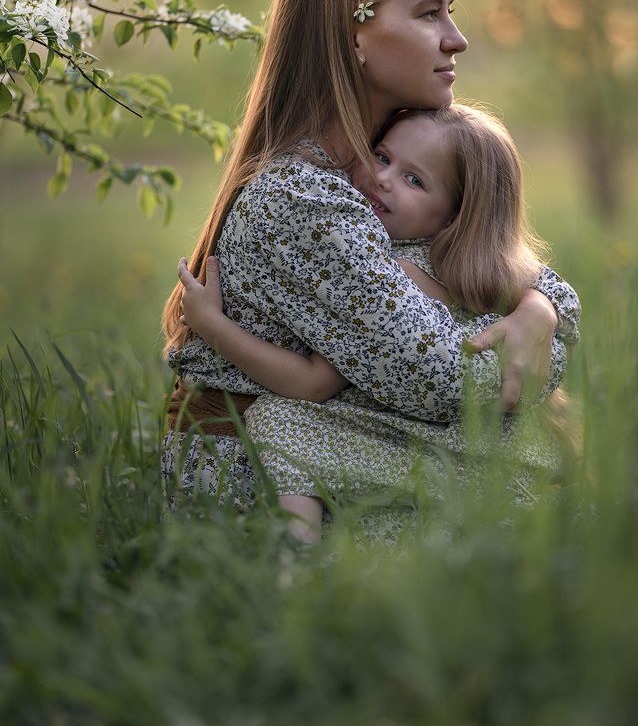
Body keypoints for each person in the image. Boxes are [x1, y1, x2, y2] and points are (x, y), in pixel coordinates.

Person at [161, 0, 580, 538]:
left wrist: (539, 311)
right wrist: (539, 354)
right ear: (354, 32)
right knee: (536, 513)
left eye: (451, 12)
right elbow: (440, 382)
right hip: (257, 484)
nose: (457, 39)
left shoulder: (375, 171)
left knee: (541, 523)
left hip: (355, 452)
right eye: (429, 14)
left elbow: (507, 268)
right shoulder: (302, 200)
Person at [177, 103, 576, 541]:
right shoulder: (487, 273)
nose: (383, 178)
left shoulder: (392, 273)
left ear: (454, 214)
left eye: (414, 180)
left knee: (280, 421)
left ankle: (297, 553)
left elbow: (313, 384)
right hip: (487, 448)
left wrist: (213, 326)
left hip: (431, 444)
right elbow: (550, 292)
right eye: (382, 157)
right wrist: (540, 307)